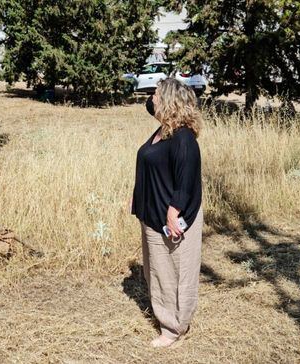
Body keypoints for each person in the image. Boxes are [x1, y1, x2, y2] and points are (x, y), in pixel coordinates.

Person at [131, 78, 203, 348]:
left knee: (178, 273)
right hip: (152, 214)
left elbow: (186, 180)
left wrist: (174, 212)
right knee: (158, 272)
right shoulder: (163, 131)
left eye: (157, 95)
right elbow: (150, 167)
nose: (152, 99)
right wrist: (137, 197)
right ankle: (165, 317)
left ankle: (174, 329)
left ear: (170, 101)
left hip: (172, 216)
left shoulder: (183, 137)